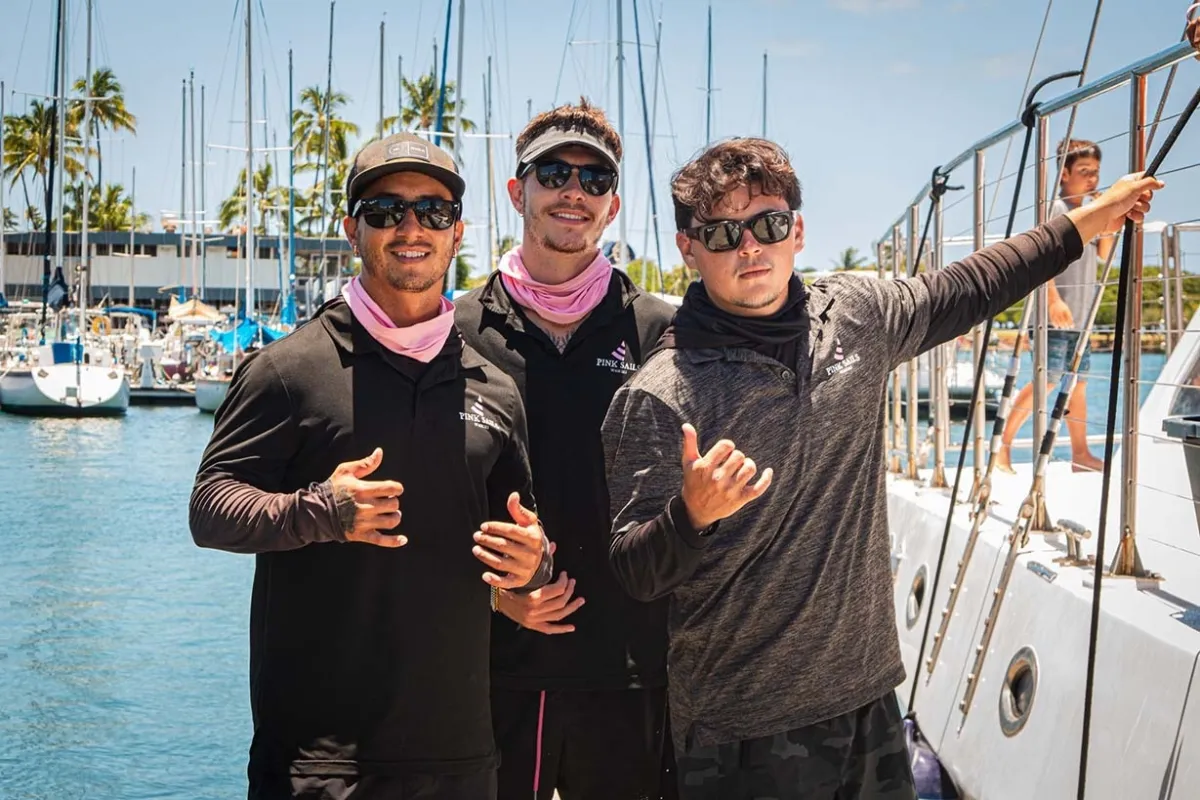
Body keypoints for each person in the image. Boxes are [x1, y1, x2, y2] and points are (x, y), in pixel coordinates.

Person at [600, 137, 1160, 800]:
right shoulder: (659, 393)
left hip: (869, 700)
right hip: (740, 731)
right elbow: (634, 572)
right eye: (722, 233)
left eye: (768, 225)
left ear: (798, 230)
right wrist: (688, 517)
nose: (749, 248)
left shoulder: (859, 317)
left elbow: (978, 283)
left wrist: (1095, 214)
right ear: (688, 248)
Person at [190, 133, 553, 800]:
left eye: (433, 213)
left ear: (457, 232)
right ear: (353, 230)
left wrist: (534, 563)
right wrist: (315, 512)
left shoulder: (495, 388)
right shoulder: (288, 370)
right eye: (386, 211)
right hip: (318, 767)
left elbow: (526, 545)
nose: (410, 228)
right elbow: (209, 509)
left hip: (463, 762)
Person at [456, 99, 678, 800]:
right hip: (496, 667)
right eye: (553, 173)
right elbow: (428, 492)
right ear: (518, 190)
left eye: (594, 179)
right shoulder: (457, 327)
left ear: (612, 206)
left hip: (629, 668)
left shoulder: (661, 330)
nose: (573, 192)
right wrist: (491, 598)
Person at [997, 138, 1120, 474]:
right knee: (1046, 381)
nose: (1092, 179)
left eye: (1095, 172)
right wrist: (1052, 300)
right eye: (1084, 172)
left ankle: (1080, 454)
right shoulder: (1056, 211)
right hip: (1058, 316)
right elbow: (1042, 260)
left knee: (1077, 385)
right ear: (1064, 173)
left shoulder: (1089, 211)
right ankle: (1002, 447)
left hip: (1081, 317)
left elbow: (1102, 256)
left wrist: (1107, 220)